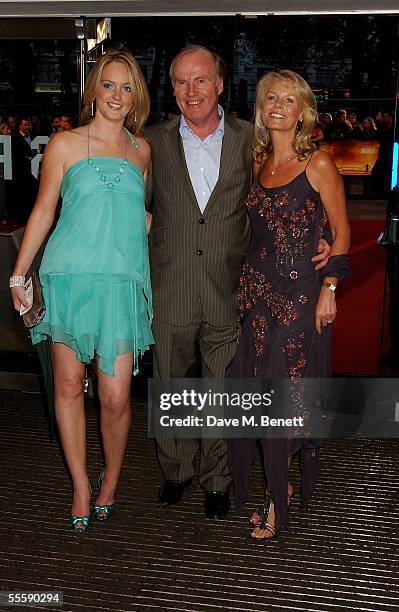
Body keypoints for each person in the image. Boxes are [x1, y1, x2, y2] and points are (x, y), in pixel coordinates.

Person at [145, 46, 330, 520]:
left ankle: (217, 479)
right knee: (170, 383)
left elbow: (293, 193)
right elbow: (136, 208)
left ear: (221, 83)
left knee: (223, 389)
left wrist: (324, 244)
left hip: (232, 288)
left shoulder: (252, 141)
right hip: (171, 286)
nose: (191, 91)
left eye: (201, 80)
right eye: (182, 82)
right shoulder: (154, 141)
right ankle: (175, 470)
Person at [10, 49, 153, 532]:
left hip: (119, 287)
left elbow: (137, 212)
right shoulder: (65, 145)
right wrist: (19, 273)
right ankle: (79, 484)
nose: (117, 95)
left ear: (136, 98)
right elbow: (44, 211)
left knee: (115, 398)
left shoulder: (141, 151)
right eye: (109, 85)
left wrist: (143, 221)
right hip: (68, 280)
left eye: (127, 87)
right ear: (95, 90)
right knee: (69, 387)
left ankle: (111, 479)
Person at [228, 69, 350, 539]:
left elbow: (342, 231)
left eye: (289, 100)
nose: (278, 106)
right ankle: (278, 486)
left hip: (300, 295)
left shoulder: (316, 163)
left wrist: (330, 288)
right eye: (270, 99)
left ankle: (278, 497)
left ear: (303, 111)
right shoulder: (257, 162)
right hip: (255, 295)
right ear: (262, 109)